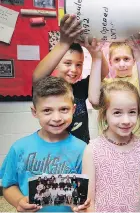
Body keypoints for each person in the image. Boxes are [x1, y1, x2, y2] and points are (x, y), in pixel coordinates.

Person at [0, 76, 89, 212]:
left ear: (73, 109)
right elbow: (8, 186)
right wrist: (19, 201)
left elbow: (88, 192)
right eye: (47, 110)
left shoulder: (83, 150)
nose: (57, 118)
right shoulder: (20, 148)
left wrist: (83, 206)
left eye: (64, 109)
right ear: (35, 112)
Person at [33, 14, 109, 144]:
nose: (74, 70)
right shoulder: (48, 88)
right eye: (68, 63)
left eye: (78, 64)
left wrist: (95, 51)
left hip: (81, 152)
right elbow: (37, 78)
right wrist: (64, 43)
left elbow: (103, 72)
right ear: (57, 63)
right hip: (57, 153)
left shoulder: (80, 88)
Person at [82, 80, 140, 212]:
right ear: (104, 115)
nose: (126, 120)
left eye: (132, 112)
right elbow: (88, 200)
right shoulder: (93, 150)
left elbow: (139, 179)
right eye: (117, 113)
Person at [88, 33, 140, 109]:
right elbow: (95, 103)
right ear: (110, 62)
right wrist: (96, 55)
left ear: (134, 60)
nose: (122, 64)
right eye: (117, 59)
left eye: (126, 59)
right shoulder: (107, 84)